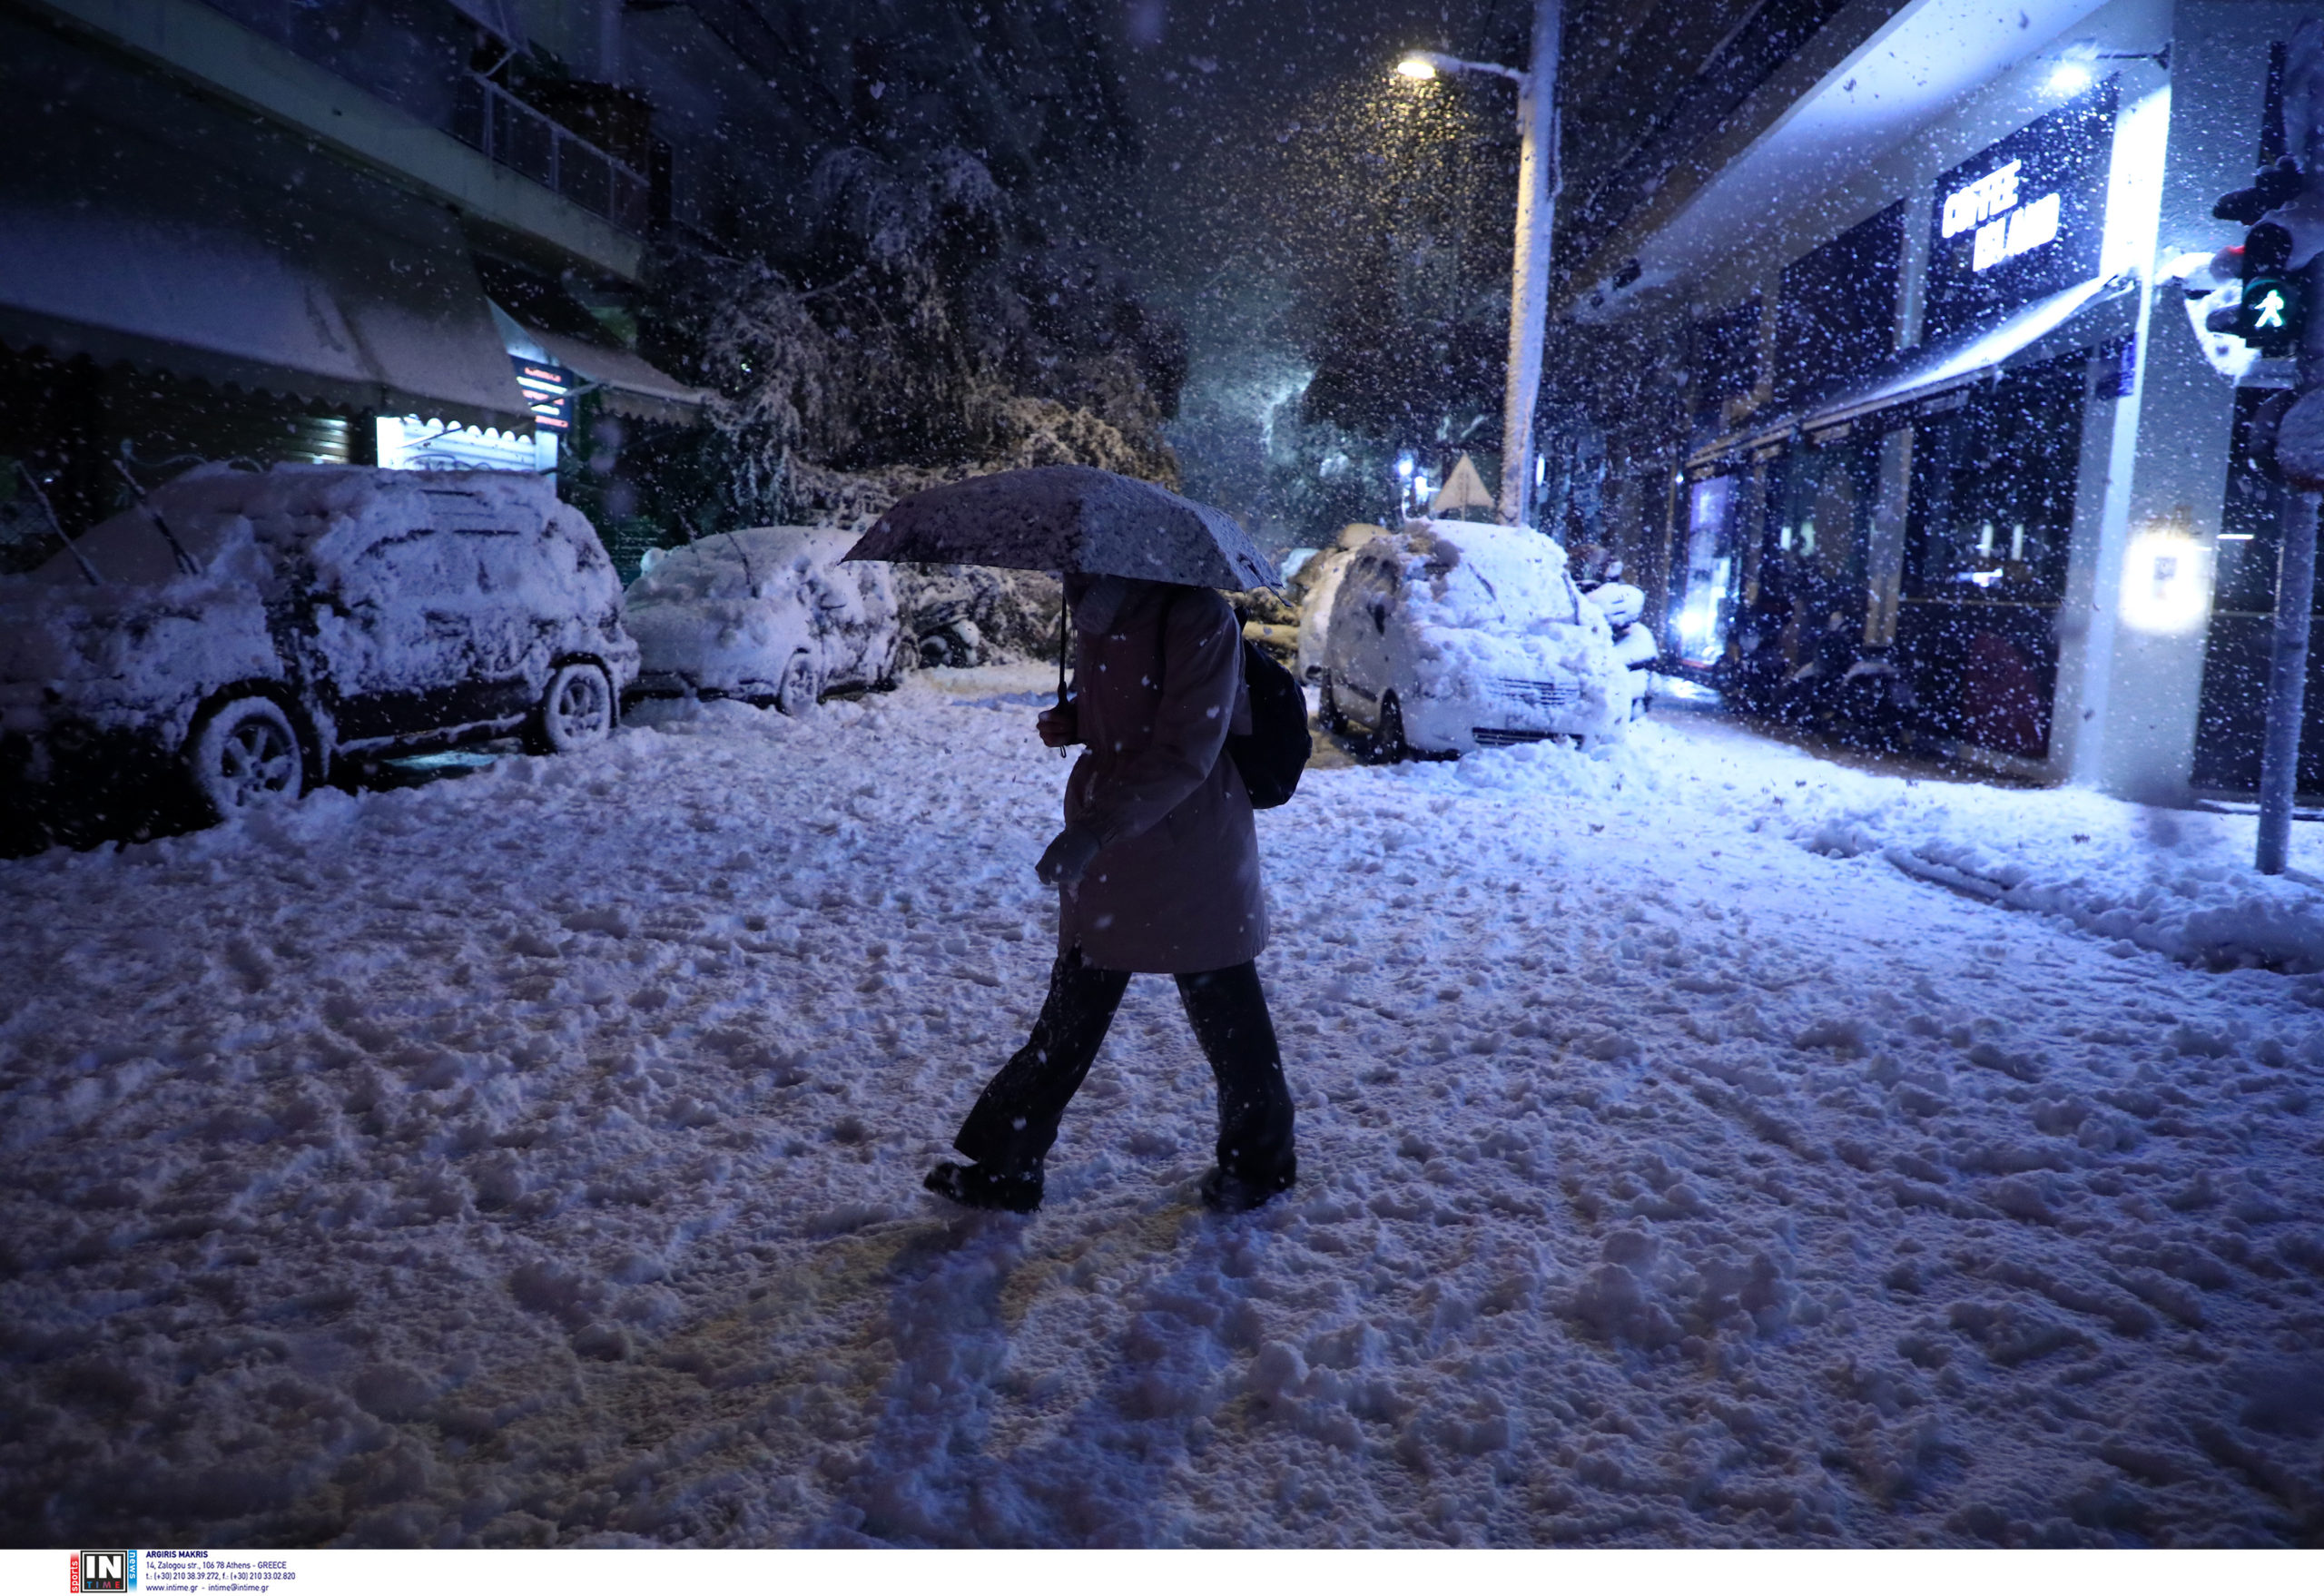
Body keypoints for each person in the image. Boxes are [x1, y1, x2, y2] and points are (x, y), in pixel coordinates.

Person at [922, 572, 1296, 1216]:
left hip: (1190, 843)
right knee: (1071, 1012)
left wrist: (1094, 831)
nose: (1069, 568)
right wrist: (1078, 720)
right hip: (1112, 837)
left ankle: (1259, 1166)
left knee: (1229, 1019)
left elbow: (1186, 751)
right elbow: (1130, 713)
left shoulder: (1197, 614)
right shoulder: (1098, 607)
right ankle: (1006, 1166)